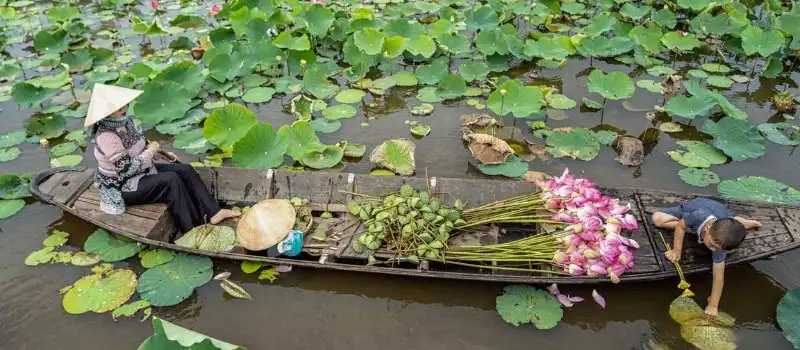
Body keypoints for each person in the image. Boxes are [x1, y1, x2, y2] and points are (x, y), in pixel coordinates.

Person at [85, 83, 239, 234]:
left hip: (141, 171)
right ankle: (192, 229)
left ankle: (214, 212)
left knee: (185, 170)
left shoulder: (126, 122)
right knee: (171, 181)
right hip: (123, 186)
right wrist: (150, 153)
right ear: (105, 113)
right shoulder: (106, 137)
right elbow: (126, 169)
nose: (123, 108)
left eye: (123, 104)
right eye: (116, 108)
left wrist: (165, 155)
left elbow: (142, 144)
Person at [651, 198, 761, 317]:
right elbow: (681, 227)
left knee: (732, 229)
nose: (713, 251)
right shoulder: (698, 216)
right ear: (708, 229)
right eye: (712, 245)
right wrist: (676, 250)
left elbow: (718, 277)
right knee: (657, 219)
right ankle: (735, 222)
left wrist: (713, 305)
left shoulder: (720, 244)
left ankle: (742, 223)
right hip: (695, 207)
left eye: (719, 250)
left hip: (722, 214)